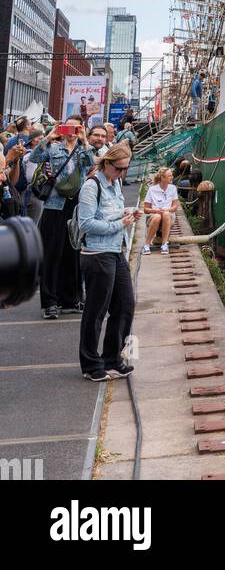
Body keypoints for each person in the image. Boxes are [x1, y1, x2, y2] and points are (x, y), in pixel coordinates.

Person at [77, 144, 140, 382]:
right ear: (107, 163)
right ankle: (91, 364)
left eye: (125, 169)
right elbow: (87, 224)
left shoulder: (116, 185)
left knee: (126, 304)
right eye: (119, 168)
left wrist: (128, 212)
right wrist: (119, 224)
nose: (123, 173)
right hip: (97, 253)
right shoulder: (91, 187)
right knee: (96, 310)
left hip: (115, 250)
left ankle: (112, 358)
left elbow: (110, 214)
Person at [29, 118, 94, 319]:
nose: (72, 131)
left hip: (75, 206)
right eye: (69, 127)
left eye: (76, 128)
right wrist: (49, 137)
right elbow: (34, 157)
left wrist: (84, 140)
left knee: (72, 253)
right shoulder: (54, 149)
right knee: (52, 254)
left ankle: (71, 299)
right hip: (54, 206)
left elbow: (90, 163)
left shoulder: (83, 149)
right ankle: (50, 302)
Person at [142, 168, 178, 254]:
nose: (172, 177)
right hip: (154, 215)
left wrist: (167, 209)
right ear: (162, 178)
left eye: (171, 175)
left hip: (168, 216)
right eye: (170, 176)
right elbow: (146, 209)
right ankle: (147, 244)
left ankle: (164, 244)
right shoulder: (152, 189)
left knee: (166, 214)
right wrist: (155, 211)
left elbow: (175, 207)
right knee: (157, 217)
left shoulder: (173, 188)